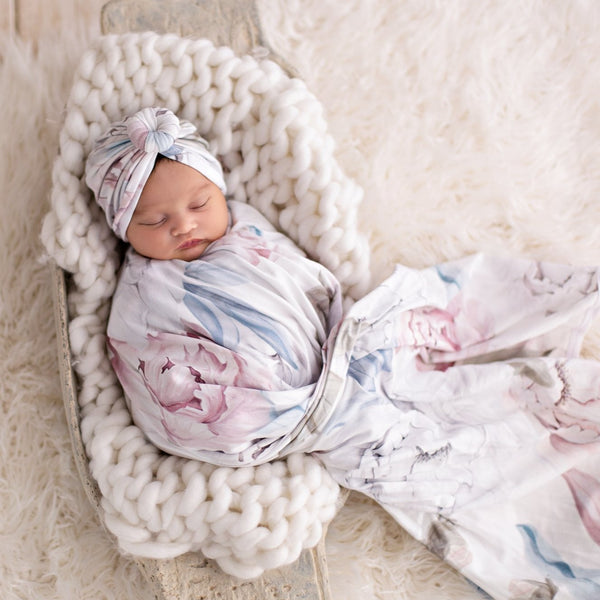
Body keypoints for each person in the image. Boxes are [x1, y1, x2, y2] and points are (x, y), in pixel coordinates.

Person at [86, 107, 600, 600]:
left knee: (454, 314)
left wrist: (347, 332)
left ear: (219, 190)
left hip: (352, 343)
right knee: (459, 450)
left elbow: (307, 280)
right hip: (308, 410)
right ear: (122, 228)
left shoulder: (245, 225)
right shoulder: (143, 298)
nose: (183, 225)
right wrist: (278, 400)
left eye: (199, 204)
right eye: (154, 220)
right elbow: (159, 390)